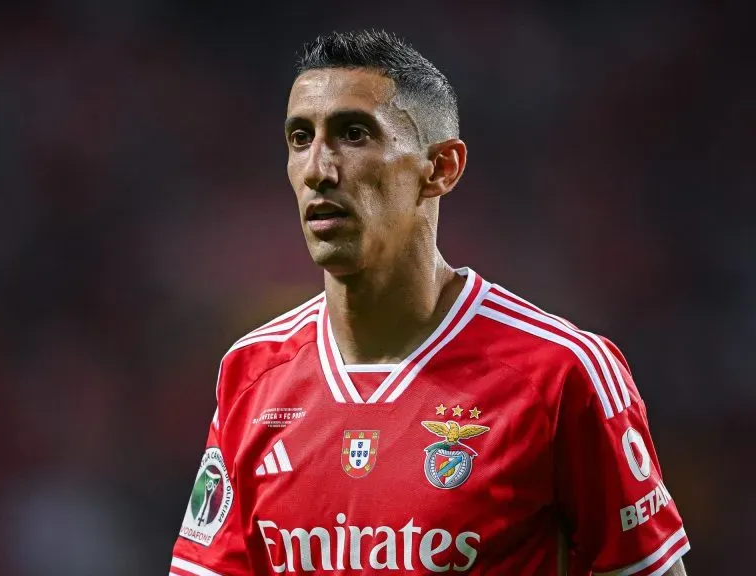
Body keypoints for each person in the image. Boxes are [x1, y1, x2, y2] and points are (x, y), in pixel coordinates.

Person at [168, 29, 688, 576]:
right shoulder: (251, 373)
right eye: (301, 138)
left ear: (441, 168)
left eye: (353, 133)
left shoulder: (560, 374)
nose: (319, 169)